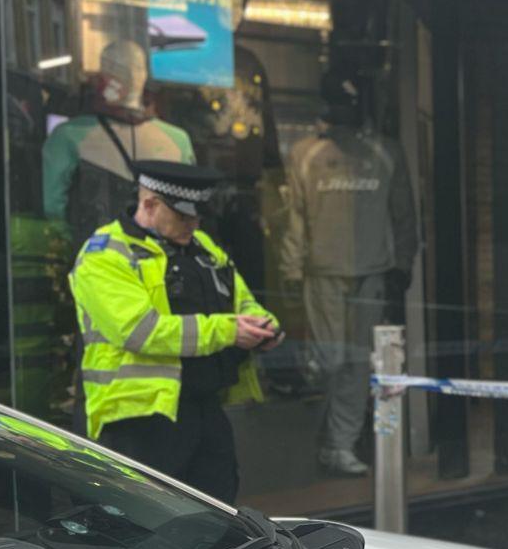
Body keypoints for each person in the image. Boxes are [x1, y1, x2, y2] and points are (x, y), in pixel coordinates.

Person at [70, 160, 282, 504]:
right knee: (145, 525)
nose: (194, 224)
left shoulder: (202, 247)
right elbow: (141, 331)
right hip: (137, 419)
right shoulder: (106, 254)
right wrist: (229, 331)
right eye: (184, 217)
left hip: (204, 409)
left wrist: (263, 326)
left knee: (220, 516)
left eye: (198, 216)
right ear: (150, 205)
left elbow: (241, 300)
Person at [282, 65, 420, 477]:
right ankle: (323, 438)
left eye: (350, 103)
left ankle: (339, 446)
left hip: (371, 272)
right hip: (322, 272)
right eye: (337, 103)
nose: (343, 111)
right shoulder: (306, 153)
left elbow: (404, 217)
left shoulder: (385, 152)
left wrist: (402, 266)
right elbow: (296, 218)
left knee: (358, 364)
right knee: (329, 362)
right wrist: (290, 270)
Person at [40, 39, 196, 249]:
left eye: (137, 68)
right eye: (116, 68)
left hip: (120, 260)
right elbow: (52, 209)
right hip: (128, 262)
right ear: (103, 72)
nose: (130, 75)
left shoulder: (178, 140)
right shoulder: (68, 136)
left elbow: (53, 210)